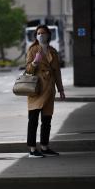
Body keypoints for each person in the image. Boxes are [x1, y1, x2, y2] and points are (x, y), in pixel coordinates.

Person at [25, 25, 66, 158]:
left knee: (47, 120)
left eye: (43, 33)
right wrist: (35, 63)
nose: (41, 35)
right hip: (36, 89)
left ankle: (44, 146)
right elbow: (28, 70)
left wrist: (60, 89)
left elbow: (57, 72)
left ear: (49, 35)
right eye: (38, 33)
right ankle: (32, 149)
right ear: (36, 36)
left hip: (49, 89)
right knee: (33, 120)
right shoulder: (32, 50)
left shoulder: (53, 51)